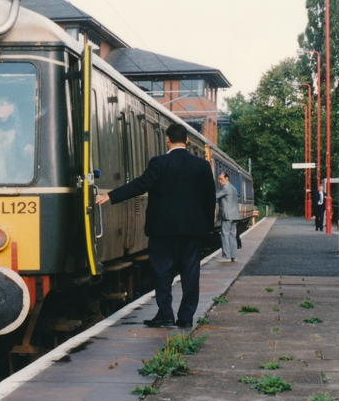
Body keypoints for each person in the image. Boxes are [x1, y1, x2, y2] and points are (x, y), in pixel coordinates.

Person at [95, 123, 215, 328]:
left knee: (162, 273)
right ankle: (186, 317)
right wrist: (206, 228)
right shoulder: (202, 165)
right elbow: (209, 199)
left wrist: (110, 196)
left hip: (163, 231)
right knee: (190, 274)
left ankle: (165, 313)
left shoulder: (159, 163)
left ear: (167, 139)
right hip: (192, 231)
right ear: (187, 141)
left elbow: (139, 185)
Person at [216, 173, 239, 262]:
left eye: (221, 179)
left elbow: (215, 196)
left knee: (225, 235)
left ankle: (226, 256)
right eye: (219, 179)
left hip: (227, 215)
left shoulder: (225, 188)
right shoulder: (233, 188)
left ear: (227, 178)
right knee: (232, 235)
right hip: (234, 215)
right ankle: (234, 256)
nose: (219, 181)